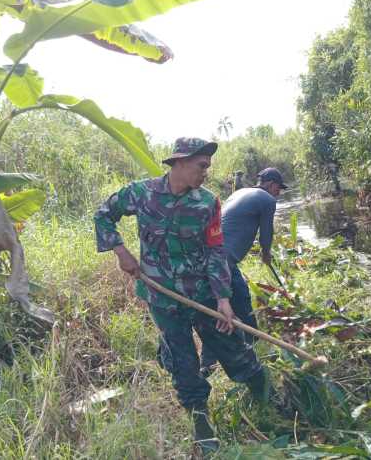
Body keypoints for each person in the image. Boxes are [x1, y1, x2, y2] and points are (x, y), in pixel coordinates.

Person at [93, 137, 269, 455]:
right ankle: (201, 423)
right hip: (162, 299)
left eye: (208, 167)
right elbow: (103, 214)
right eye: (202, 166)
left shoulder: (207, 203)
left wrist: (223, 298)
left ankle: (267, 400)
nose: (206, 172)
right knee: (184, 364)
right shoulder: (141, 193)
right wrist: (120, 251)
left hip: (202, 295)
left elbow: (216, 251)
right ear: (180, 162)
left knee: (235, 352)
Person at [200, 167, 288, 376]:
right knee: (226, 309)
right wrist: (266, 253)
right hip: (222, 261)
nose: (279, 193)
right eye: (279, 188)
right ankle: (209, 364)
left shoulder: (240, 193)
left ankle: (255, 345)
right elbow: (266, 233)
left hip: (216, 258)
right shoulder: (267, 200)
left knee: (241, 297)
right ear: (271, 184)